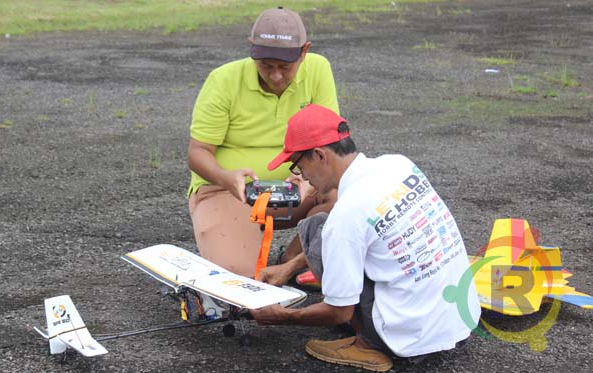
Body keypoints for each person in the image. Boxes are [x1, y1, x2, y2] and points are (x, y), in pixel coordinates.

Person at [250, 104, 481, 372]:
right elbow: (357, 236)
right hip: (459, 319)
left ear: (319, 155)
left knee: (315, 228)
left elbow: (339, 312)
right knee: (325, 230)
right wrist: (289, 266)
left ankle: (369, 344)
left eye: (300, 167)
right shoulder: (398, 164)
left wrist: (283, 317)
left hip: (406, 341)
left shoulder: (346, 216)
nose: (304, 178)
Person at [187, 6, 339, 278]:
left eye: (285, 67)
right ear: (252, 50)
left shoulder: (318, 69)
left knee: (347, 193)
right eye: (266, 65)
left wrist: (308, 180)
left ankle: (292, 259)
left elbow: (330, 143)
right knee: (236, 282)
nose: (276, 75)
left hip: (298, 190)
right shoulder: (223, 81)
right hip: (231, 192)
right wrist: (226, 178)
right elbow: (198, 152)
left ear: (304, 51)